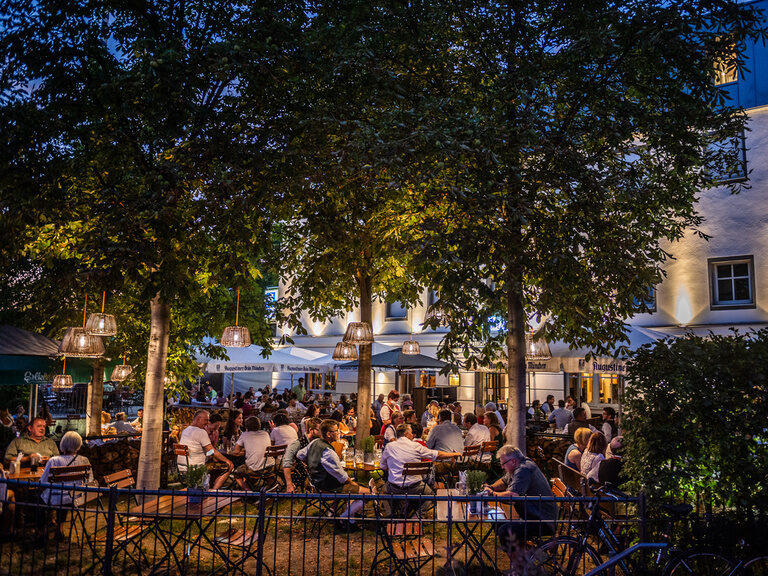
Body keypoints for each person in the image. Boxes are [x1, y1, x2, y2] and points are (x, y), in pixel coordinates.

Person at [297, 419, 371, 529]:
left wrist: (311, 464)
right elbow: (342, 477)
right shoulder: (328, 452)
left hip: (316, 483)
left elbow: (299, 455)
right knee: (369, 493)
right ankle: (341, 518)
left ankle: (351, 522)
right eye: (337, 431)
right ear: (328, 434)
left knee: (355, 490)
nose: (339, 433)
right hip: (329, 486)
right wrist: (353, 484)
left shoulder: (314, 442)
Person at [485, 446, 557, 550]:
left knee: (505, 531)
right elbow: (504, 481)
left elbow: (512, 496)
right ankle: (524, 557)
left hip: (542, 521)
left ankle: (520, 564)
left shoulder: (523, 469)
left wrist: (491, 494)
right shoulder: (519, 465)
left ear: (513, 461)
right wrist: (491, 487)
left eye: (503, 464)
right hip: (534, 514)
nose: (502, 467)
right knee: (497, 520)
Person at [380, 423, 461, 514]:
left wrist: (394, 469)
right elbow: (437, 454)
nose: (412, 435)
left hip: (394, 487)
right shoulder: (415, 446)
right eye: (411, 433)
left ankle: (390, 516)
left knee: (384, 491)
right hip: (415, 487)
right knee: (430, 495)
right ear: (406, 434)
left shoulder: (389, 447)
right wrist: (453, 454)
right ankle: (417, 516)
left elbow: (382, 466)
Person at [39, 431, 94, 541]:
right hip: (76, 499)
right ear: (78, 444)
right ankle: (59, 530)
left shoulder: (54, 461)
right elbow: (90, 480)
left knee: (38, 499)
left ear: (63, 443)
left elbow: (43, 482)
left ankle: (42, 532)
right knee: (65, 497)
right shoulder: (84, 460)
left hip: (54, 498)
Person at [177, 410, 233, 489]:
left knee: (215, 463)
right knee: (228, 466)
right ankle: (214, 491)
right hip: (196, 468)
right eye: (206, 420)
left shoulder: (185, 431)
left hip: (182, 468)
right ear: (198, 419)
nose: (207, 422)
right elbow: (211, 450)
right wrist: (226, 460)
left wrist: (211, 454)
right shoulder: (201, 432)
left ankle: (210, 487)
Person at [231, 417, 272, 489]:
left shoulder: (245, 435)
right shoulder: (265, 433)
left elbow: (236, 451)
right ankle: (267, 486)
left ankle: (248, 490)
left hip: (255, 470)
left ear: (247, 426)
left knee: (237, 473)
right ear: (259, 425)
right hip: (270, 467)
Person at [283, 417, 322, 493]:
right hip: (302, 478)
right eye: (319, 430)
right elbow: (286, 463)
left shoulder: (317, 442)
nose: (321, 433)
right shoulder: (297, 443)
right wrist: (289, 484)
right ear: (311, 430)